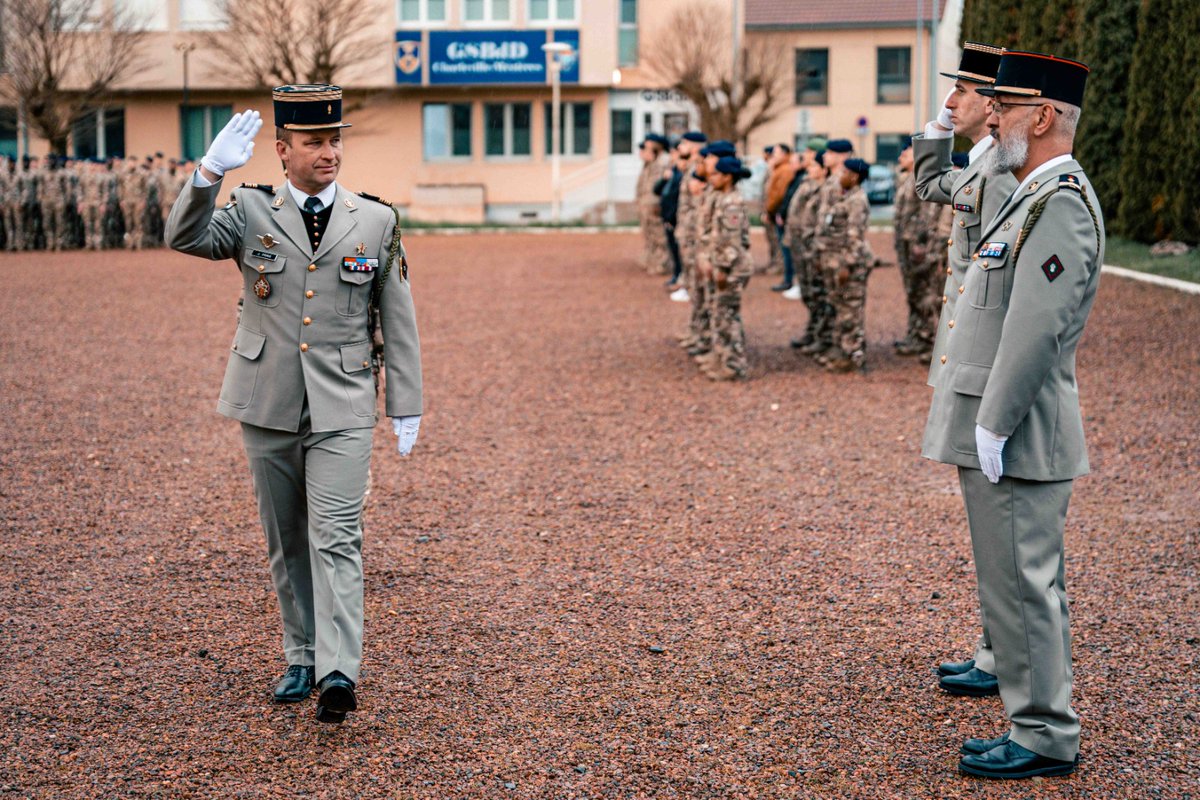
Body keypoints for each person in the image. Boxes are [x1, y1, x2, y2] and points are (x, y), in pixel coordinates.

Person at [165, 85, 424, 724]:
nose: (329, 152)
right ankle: (302, 654)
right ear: (283, 151)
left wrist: (406, 402)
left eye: (335, 140)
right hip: (268, 399)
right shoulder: (251, 211)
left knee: (337, 535)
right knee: (287, 539)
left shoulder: (375, 219)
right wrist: (208, 172)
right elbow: (183, 236)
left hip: (344, 401)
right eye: (313, 143)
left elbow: (398, 315)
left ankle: (339, 671)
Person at [922, 51, 1102, 779]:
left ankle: (1044, 735)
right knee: (1015, 583)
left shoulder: (1056, 199)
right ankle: (1034, 724)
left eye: (1007, 104)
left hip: (1018, 428)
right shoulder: (1028, 191)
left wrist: (991, 424)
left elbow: (1036, 331)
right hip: (1004, 424)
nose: (990, 113)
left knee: (1025, 587)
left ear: (1046, 114)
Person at [910, 40, 1014, 700]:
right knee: (985, 517)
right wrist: (932, 134)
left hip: (983, 362)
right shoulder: (979, 164)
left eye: (963, 94)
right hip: (964, 355)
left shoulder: (1002, 174)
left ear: (994, 104)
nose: (951, 102)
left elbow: (1005, 288)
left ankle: (1002, 656)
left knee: (997, 520)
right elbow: (927, 185)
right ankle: (993, 649)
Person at [699, 155, 753, 381]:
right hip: (722, 263)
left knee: (727, 316)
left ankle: (733, 365)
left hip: (731, 268)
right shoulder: (723, 198)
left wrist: (721, 268)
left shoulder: (732, 203)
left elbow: (731, 242)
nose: (712, 178)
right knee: (720, 314)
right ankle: (722, 356)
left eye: (716, 174)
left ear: (728, 177)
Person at [819, 158, 873, 373]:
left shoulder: (857, 200)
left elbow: (855, 238)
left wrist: (846, 266)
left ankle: (853, 354)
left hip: (850, 265)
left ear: (854, 176)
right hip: (835, 261)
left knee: (851, 309)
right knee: (840, 306)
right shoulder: (844, 196)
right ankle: (842, 349)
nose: (839, 175)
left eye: (844, 172)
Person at [805, 139, 854, 364]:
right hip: (826, 250)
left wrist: (844, 256)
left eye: (830, 153)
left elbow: (847, 222)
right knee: (831, 299)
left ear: (842, 156)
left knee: (843, 303)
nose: (824, 156)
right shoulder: (831, 181)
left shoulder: (844, 181)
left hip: (837, 251)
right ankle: (834, 344)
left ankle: (847, 350)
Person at [784, 147, 829, 351]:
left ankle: (821, 336)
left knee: (818, 293)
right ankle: (812, 332)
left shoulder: (825, 190)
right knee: (808, 293)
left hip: (812, 247)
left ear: (823, 169)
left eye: (813, 165)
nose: (808, 168)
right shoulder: (807, 185)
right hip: (800, 245)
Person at [636, 133, 671, 275]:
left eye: (647, 146)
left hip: (655, 206)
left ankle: (661, 264)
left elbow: (659, 188)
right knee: (650, 236)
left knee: (659, 237)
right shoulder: (650, 164)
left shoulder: (662, 163)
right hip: (647, 206)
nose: (644, 149)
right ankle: (653, 261)